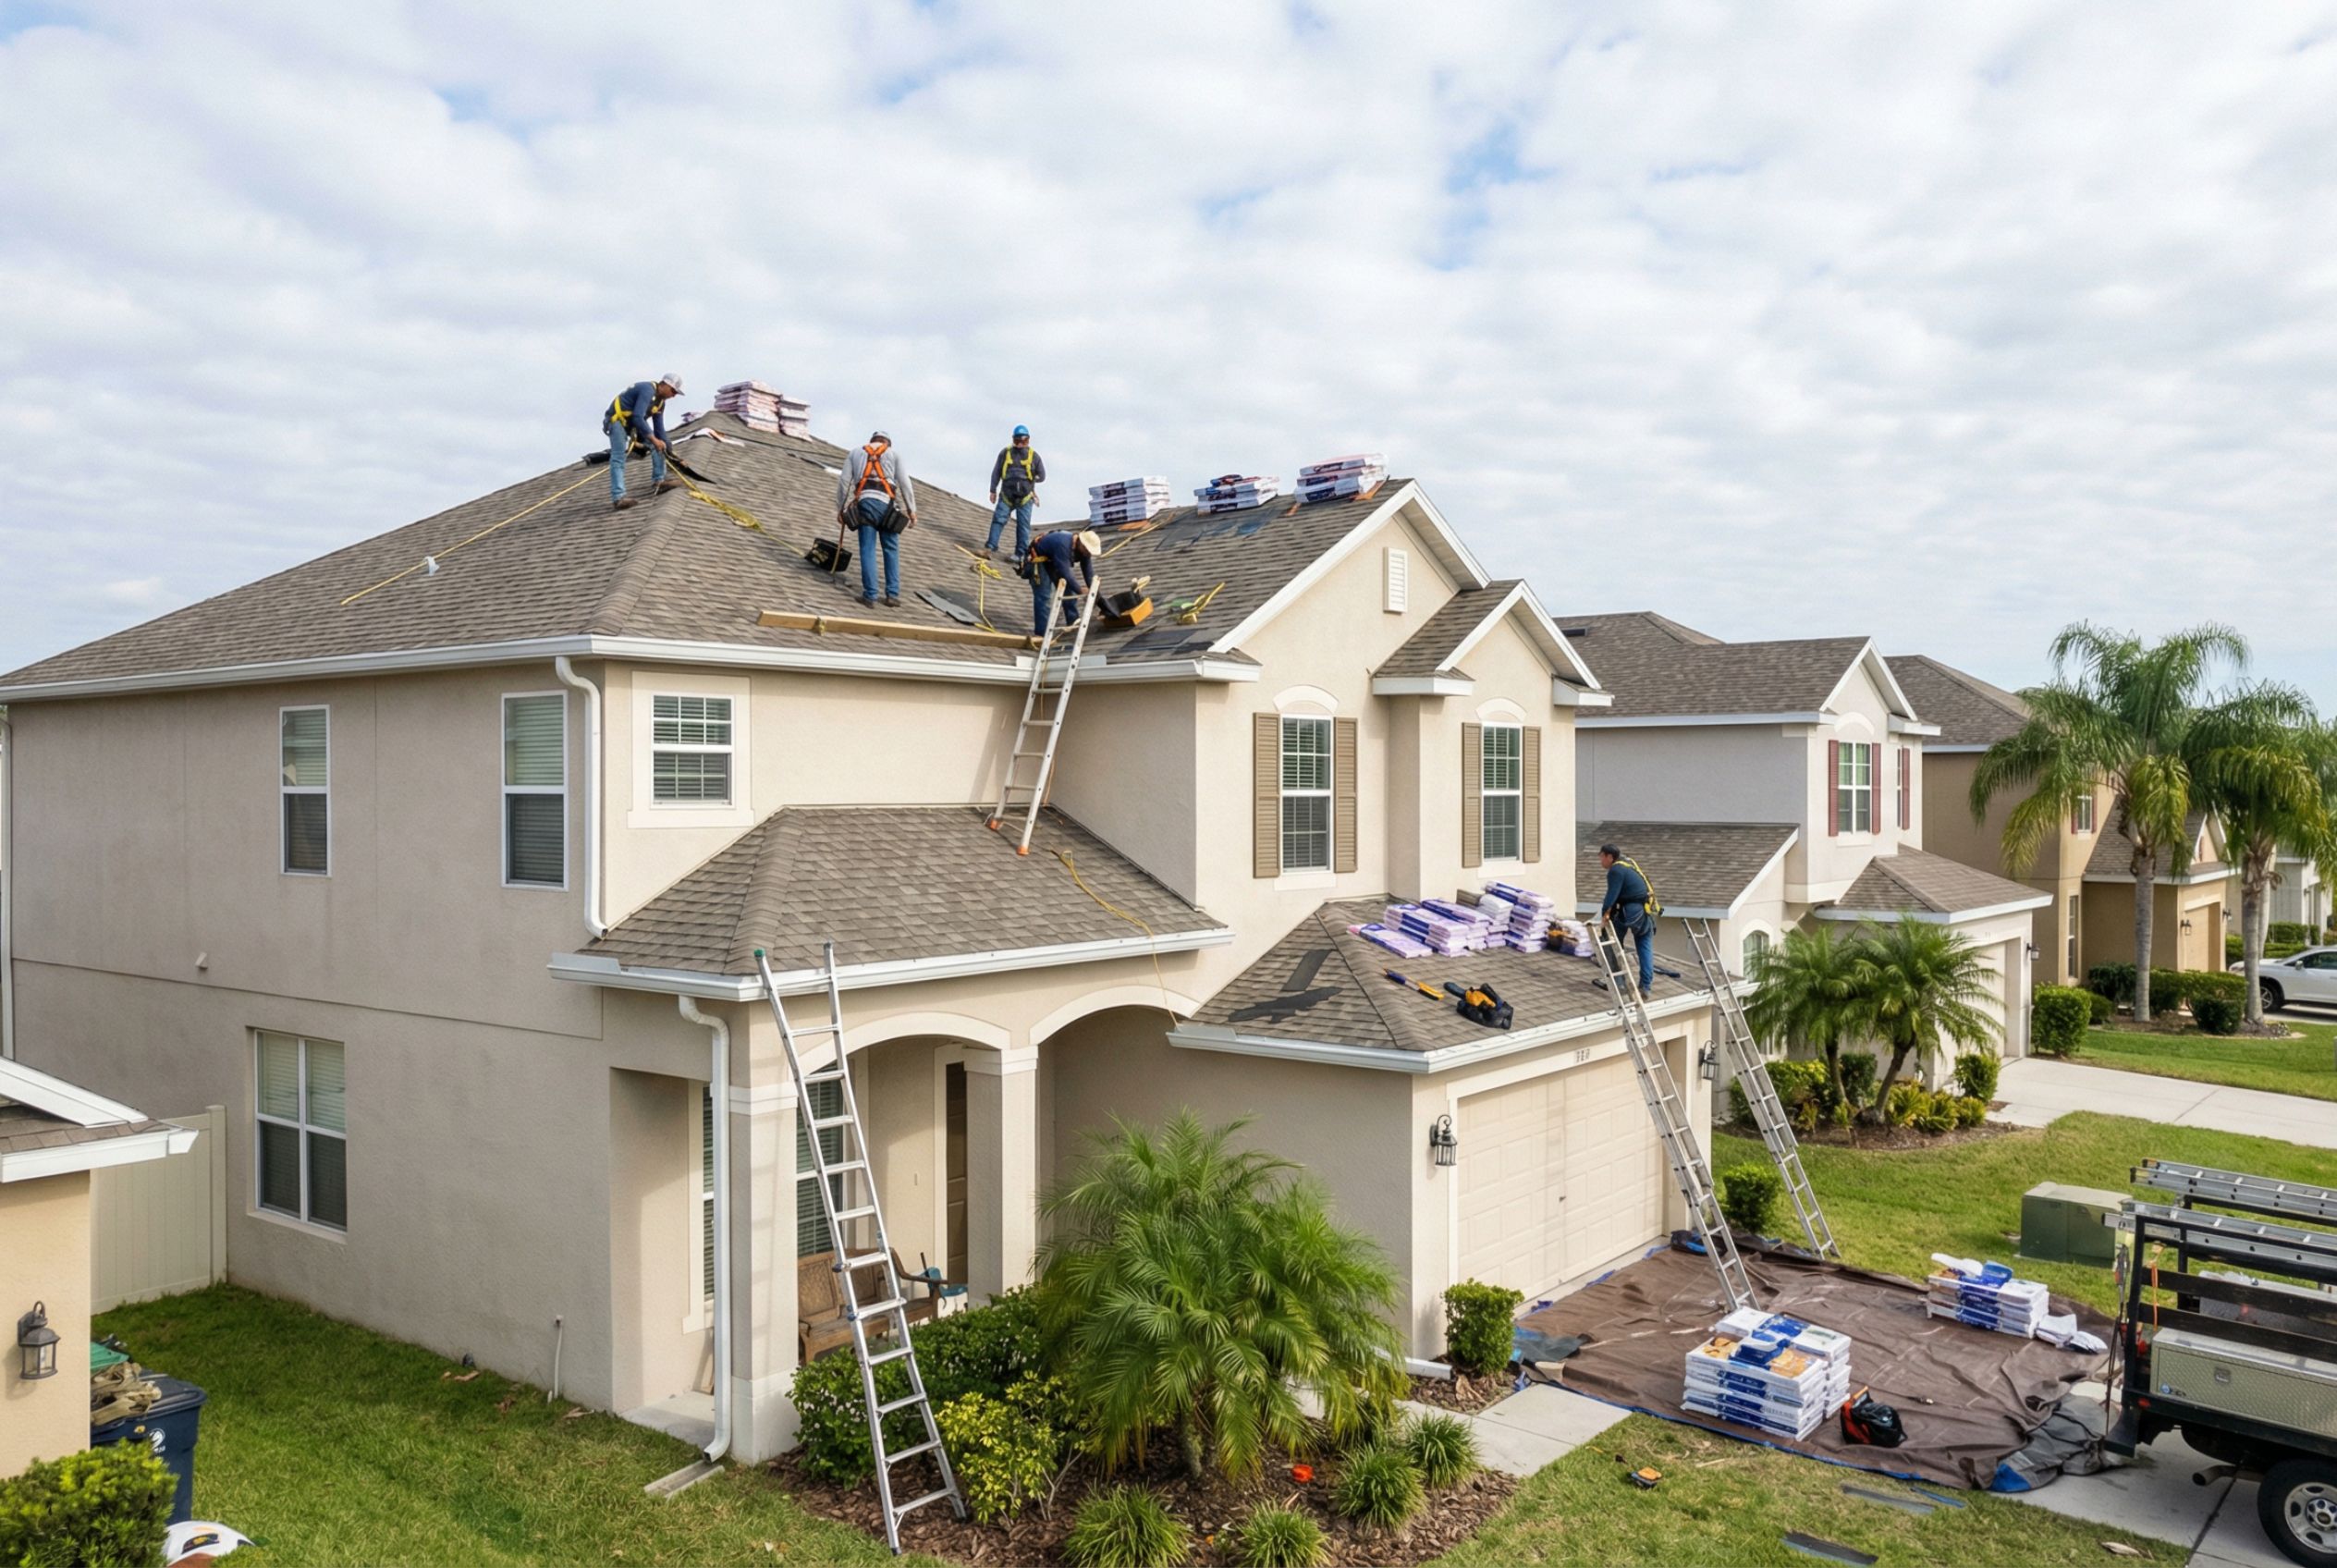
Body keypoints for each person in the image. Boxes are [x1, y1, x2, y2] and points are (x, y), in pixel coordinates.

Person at [835, 431, 917, 607]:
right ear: (888, 443)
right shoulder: (894, 454)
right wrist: (912, 510)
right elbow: (905, 483)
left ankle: (870, 596)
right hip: (888, 505)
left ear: (871, 441)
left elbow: (844, 482)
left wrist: (840, 508)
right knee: (891, 549)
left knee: (868, 549)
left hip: (866, 502)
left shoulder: (855, 453)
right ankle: (892, 595)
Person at [604, 374, 684, 509]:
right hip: (617, 421)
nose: (673, 395)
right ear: (664, 385)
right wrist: (654, 440)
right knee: (618, 457)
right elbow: (637, 416)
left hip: (633, 424)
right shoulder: (647, 389)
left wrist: (674, 455)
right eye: (673, 391)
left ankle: (659, 481)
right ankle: (618, 498)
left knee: (658, 444)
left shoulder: (660, 403)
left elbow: (660, 431)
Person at [1597, 843, 1657, 993]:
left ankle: (1618, 983)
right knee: (1644, 946)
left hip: (1629, 911)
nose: (1600, 860)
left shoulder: (1616, 870)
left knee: (1612, 942)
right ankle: (1645, 987)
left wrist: (1604, 917)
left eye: (1602, 857)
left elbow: (1611, 897)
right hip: (1645, 911)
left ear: (1610, 857)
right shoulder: (1629, 864)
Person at [1024, 527, 1099, 638]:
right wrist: (1080, 590)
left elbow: (1088, 573)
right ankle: (1041, 634)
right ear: (1082, 544)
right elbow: (1065, 573)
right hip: (1039, 559)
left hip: (1053, 560)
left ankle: (1072, 619)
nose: (1088, 554)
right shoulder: (1063, 545)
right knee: (1044, 596)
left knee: (1068, 588)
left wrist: (1096, 593)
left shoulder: (1083, 551)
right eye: (1088, 551)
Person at [985, 424, 1046, 557]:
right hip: (1007, 495)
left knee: (1023, 525)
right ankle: (990, 547)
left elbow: (1042, 476)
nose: (1020, 444)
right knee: (998, 519)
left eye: (1023, 441)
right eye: (1017, 441)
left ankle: (1020, 554)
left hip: (1025, 497)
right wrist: (992, 490)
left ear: (1028, 440)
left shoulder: (1034, 457)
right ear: (1013, 439)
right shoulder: (1005, 453)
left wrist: (1032, 479)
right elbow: (996, 472)